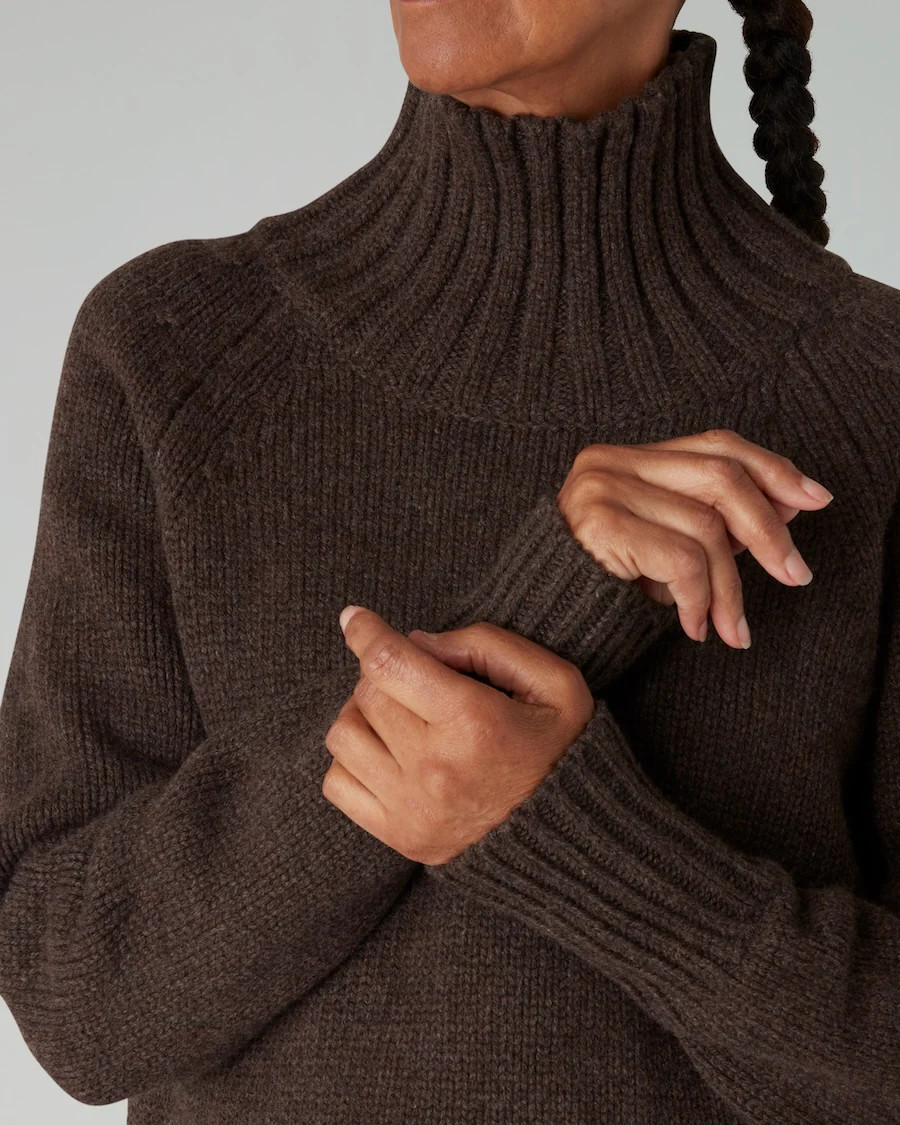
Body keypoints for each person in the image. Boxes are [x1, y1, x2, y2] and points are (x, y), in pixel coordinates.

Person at [1, 1, 898, 1122]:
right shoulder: (175, 353)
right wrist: (549, 608)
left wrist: (561, 833)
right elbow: (76, 1002)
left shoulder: (875, 398)